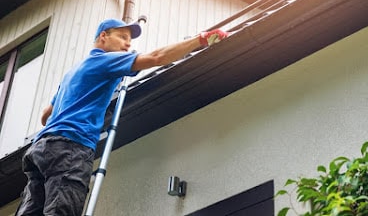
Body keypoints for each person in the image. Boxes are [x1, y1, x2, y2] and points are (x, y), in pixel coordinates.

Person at [15, 18, 228, 216]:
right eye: (123, 37)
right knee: (61, 211)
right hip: (70, 147)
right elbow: (157, 57)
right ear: (103, 37)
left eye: (130, 40)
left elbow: (45, 115)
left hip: (41, 149)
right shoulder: (105, 61)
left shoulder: (73, 72)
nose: (128, 44)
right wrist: (201, 38)